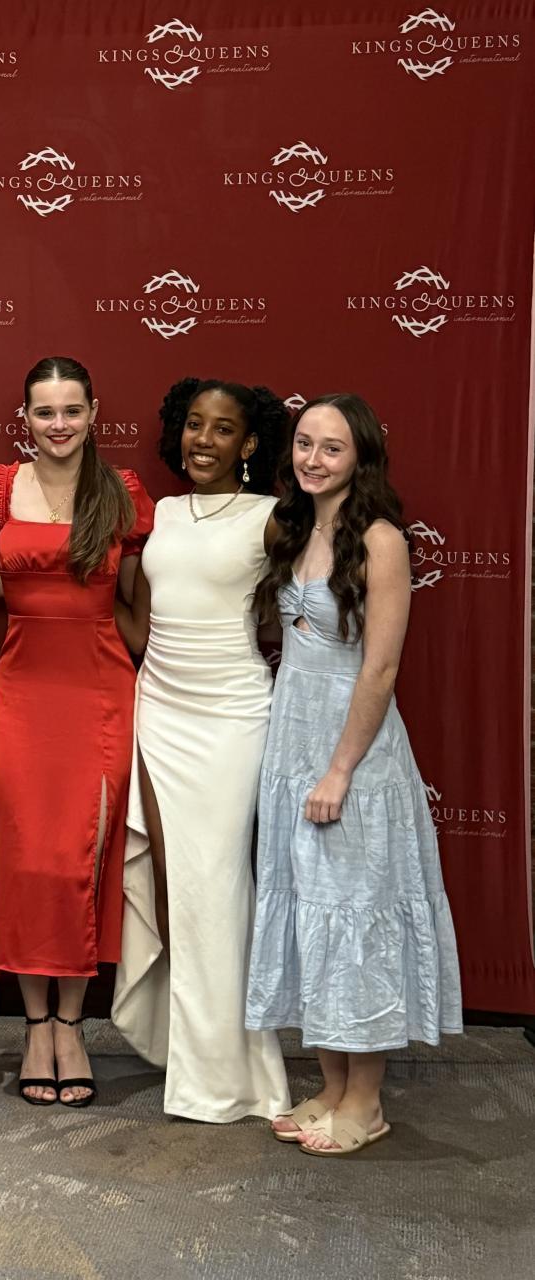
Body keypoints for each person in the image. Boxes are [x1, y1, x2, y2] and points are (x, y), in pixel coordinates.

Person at [245, 393, 462, 1155]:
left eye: (331, 447)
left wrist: (339, 771)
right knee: (315, 919)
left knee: (357, 921)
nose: (313, 459)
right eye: (304, 443)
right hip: (292, 746)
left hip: (354, 757)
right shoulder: (294, 528)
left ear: (361, 457)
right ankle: (332, 1087)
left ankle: (366, 1102)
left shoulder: (381, 540)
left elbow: (381, 668)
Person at [0, 356, 153, 1107]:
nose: (59, 424)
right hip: (21, 694)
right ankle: (33, 1023)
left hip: (99, 692)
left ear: (94, 411)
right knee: (28, 858)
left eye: (72, 409)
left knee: (85, 856)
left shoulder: (122, 493)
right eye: (44, 411)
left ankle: (70, 1025)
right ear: (25, 418)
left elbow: (135, 610)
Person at [112, 377, 292, 1123]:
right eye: (194, 424)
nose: (204, 440)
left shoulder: (273, 517)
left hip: (232, 719)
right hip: (160, 713)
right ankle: (185, 1058)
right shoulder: (162, 514)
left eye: (222, 429)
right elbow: (142, 629)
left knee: (217, 889)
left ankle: (232, 1077)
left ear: (249, 443)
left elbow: (301, 610)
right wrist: (83, 592)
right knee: (172, 885)